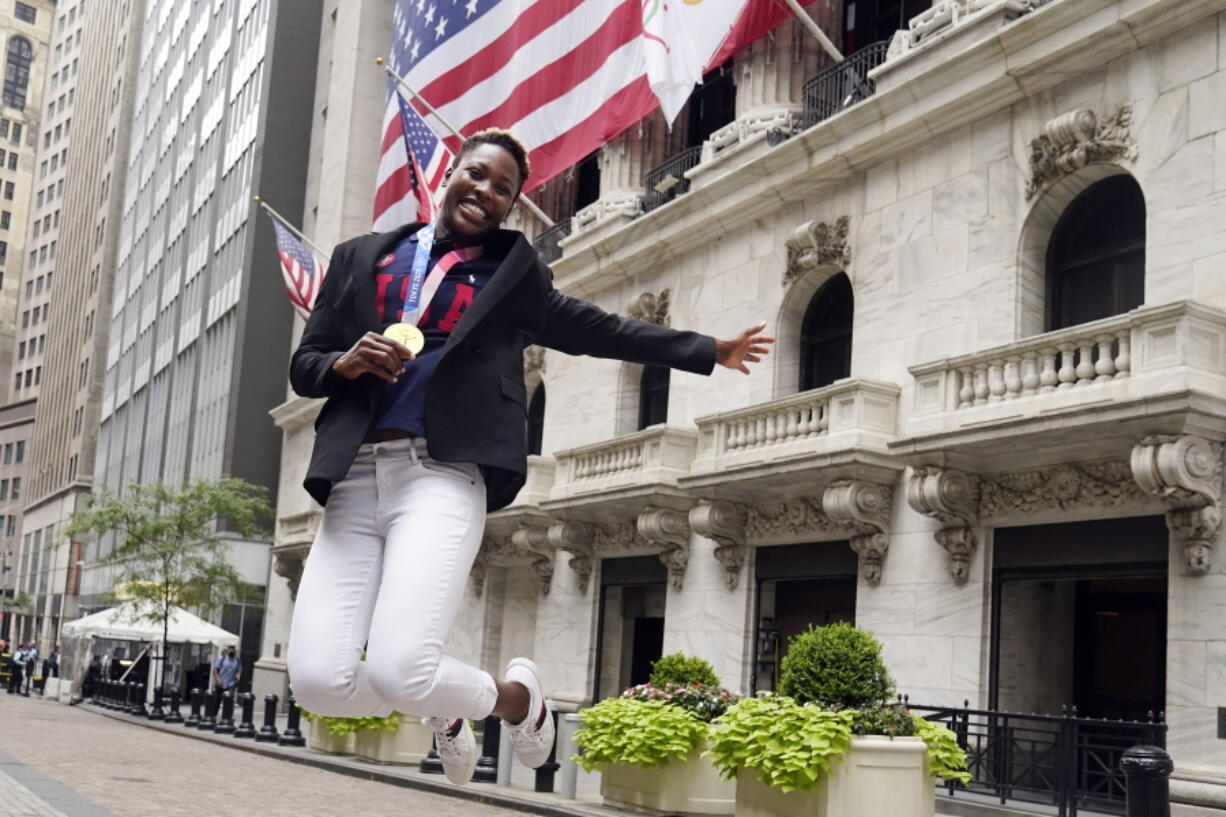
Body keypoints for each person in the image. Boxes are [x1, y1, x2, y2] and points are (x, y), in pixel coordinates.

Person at [286, 128, 773, 785]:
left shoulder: (513, 279)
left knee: (401, 668)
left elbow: (599, 329)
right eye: (477, 175)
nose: (485, 192)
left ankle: (518, 701)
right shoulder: (359, 257)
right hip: (355, 474)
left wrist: (705, 349)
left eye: (503, 189)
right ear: (448, 175)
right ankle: (448, 707)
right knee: (317, 680)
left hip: (442, 474)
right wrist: (342, 363)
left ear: (511, 206)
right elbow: (305, 363)